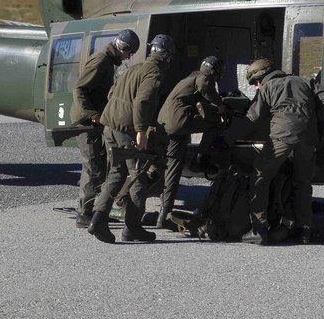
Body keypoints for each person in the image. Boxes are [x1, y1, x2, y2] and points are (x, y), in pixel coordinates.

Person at [224, 58, 324, 245]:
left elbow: (252, 118)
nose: (256, 86)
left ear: (262, 78)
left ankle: (259, 229)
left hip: (282, 136)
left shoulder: (267, 88)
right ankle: (304, 230)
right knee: (302, 182)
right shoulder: (304, 81)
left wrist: (227, 138)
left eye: (256, 82)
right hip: (308, 138)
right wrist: (312, 119)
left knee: (260, 177)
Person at [88, 34, 176, 244]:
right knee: (139, 177)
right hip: (127, 131)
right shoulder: (154, 72)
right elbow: (142, 102)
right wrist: (140, 131)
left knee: (116, 173)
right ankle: (132, 227)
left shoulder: (135, 68)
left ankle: (97, 220)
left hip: (110, 127)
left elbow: (111, 93)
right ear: (167, 56)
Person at [70, 29, 140, 228]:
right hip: (86, 121)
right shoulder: (101, 60)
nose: (129, 57)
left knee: (99, 165)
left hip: (94, 120)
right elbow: (79, 89)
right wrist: (92, 114)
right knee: (92, 166)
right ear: (122, 48)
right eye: (129, 53)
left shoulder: (108, 61)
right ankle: (84, 214)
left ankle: (94, 211)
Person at [156, 55, 226, 229]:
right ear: (214, 71)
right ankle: (201, 158)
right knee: (214, 124)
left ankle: (163, 214)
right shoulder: (204, 78)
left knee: (170, 166)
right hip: (178, 123)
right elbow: (208, 93)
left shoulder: (189, 78)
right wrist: (220, 105)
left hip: (165, 123)